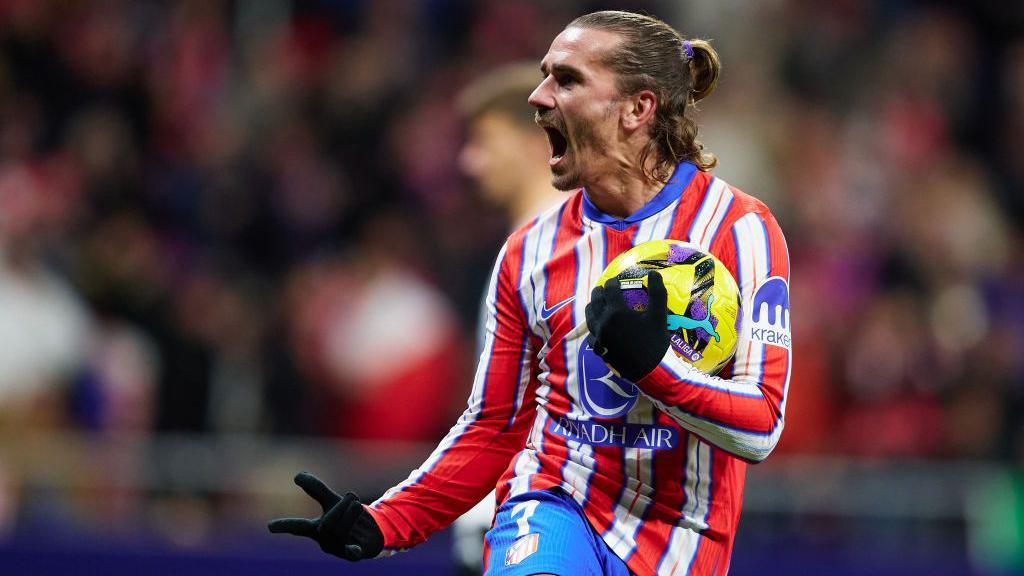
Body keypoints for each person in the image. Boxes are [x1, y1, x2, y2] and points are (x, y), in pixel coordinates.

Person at [269, 10, 792, 576]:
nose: (539, 96)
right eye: (545, 76)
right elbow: (495, 424)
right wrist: (387, 522)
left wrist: (653, 368)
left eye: (566, 80)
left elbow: (760, 426)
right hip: (554, 505)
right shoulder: (530, 250)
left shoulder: (741, 231)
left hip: (683, 537)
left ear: (639, 109)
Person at [452, 61, 566, 574]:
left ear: (532, 143)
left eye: (483, 141)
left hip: (530, 522)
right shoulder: (523, 248)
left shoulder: (554, 255)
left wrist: (486, 510)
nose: (469, 162)